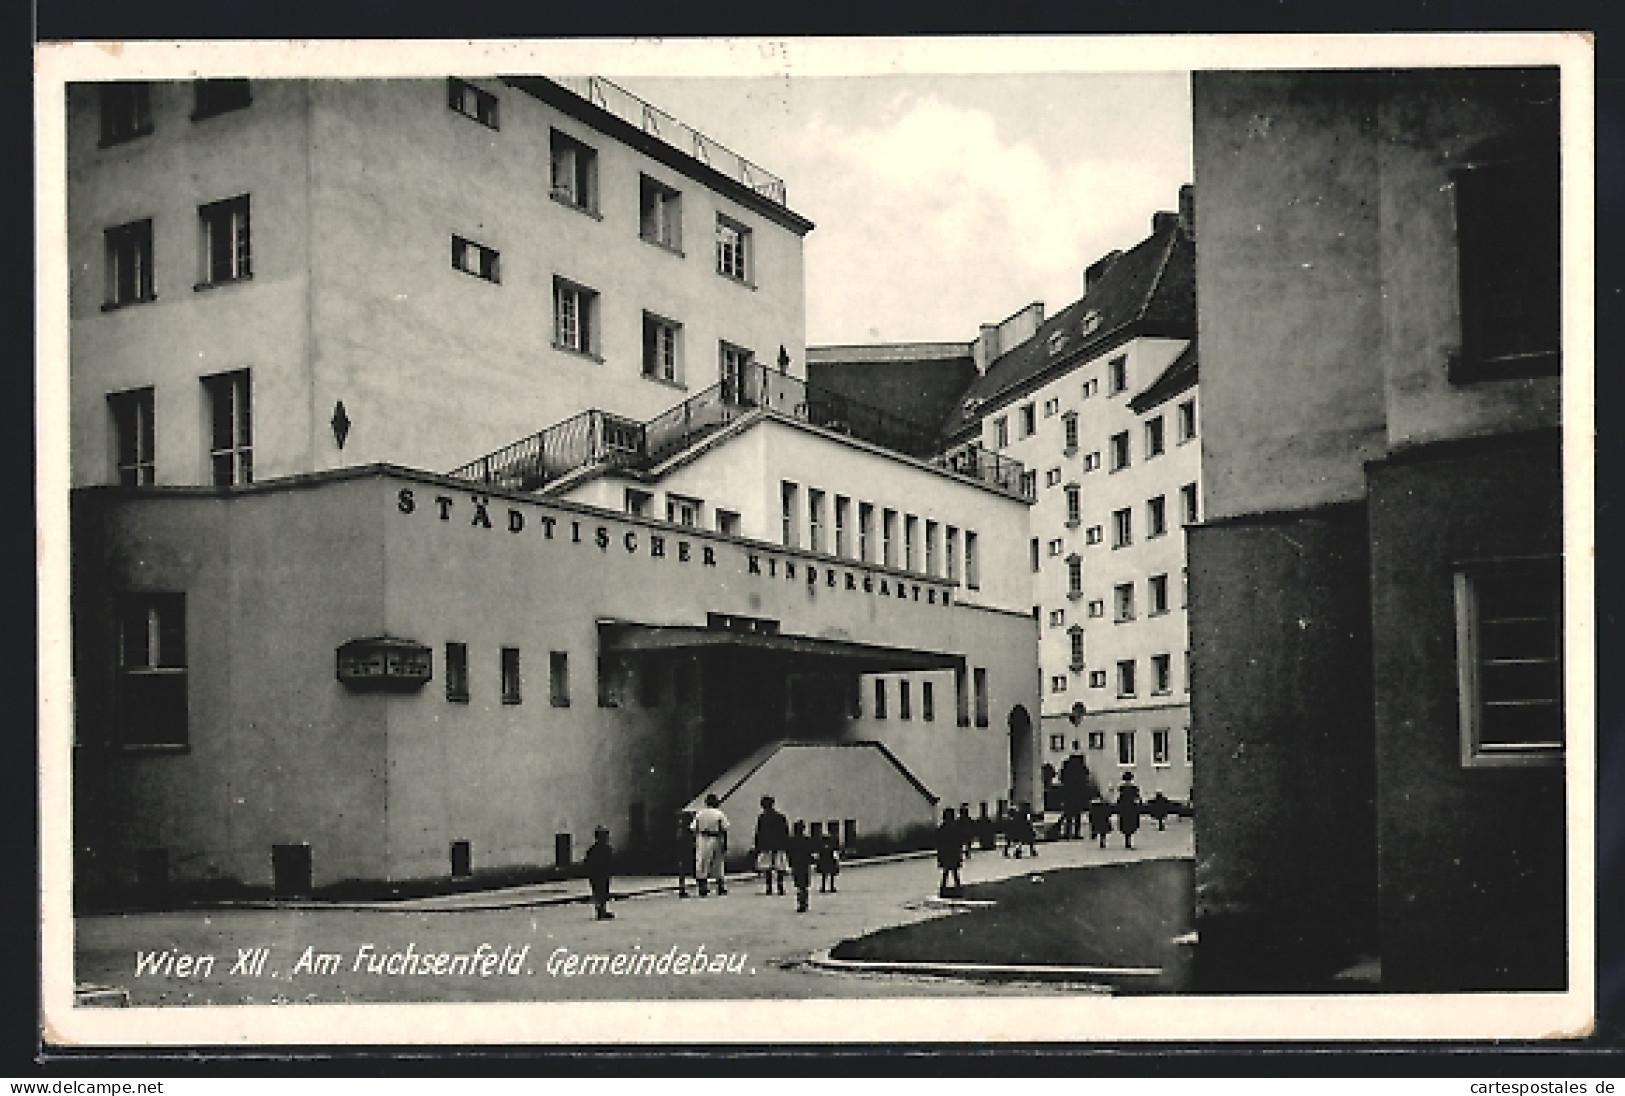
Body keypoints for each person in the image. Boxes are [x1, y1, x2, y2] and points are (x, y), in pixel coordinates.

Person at [752, 795, 790, 896]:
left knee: (767, 867)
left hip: (767, 845)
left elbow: (759, 833)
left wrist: (758, 846)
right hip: (778, 845)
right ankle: (780, 886)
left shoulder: (762, 818)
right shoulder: (780, 817)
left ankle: (769, 887)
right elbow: (785, 832)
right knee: (779, 866)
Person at [693, 793, 729, 897]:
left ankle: (702, 887)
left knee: (702, 862)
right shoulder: (719, 813)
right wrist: (725, 843)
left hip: (703, 838)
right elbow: (724, 829)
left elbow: (694, 828)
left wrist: (695, 841)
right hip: (716, 837)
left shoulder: (700, 813)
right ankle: (720, 887)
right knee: (718, 862)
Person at [584, 825, 615, 921]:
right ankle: (601, 911)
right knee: (602, 892)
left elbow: (587, 862)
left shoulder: (593, 849)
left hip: (597, 875)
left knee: (599, 892)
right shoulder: (606, 849)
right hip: (601, 874)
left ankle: (601, 910)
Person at [787, 820, 815, 913]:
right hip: (804, 864)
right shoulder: (806, 840)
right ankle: (804, 902)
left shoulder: (791, 841)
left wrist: (790, 862)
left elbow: (789, 852)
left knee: (799, 885)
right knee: (804, 885)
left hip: (797, 864)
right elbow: (810, 851)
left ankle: (801, 902)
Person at [935, 807, 964, 898]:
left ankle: (943, 890)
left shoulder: (942, 828)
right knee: (954, 873)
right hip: (953, 853)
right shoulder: (955, 828)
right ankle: (958, 889)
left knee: (946, 872)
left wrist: (940, 856)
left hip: (947, 854)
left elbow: (939, 844)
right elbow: (959, 842)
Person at [1116, 772, 1143, 850]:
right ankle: (1128, 842)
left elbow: (1120, 799)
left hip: (1125, 809)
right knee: (1130, 825)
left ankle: (1127, 841)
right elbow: (1138, 798)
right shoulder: (1133, 789)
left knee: (1126, 825)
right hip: (1131, 809)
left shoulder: (1122, 789)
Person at [675, 809, 697, 898]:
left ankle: (682, 888)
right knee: (694, 866)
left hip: (682, 848)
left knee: (683, 868)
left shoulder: (680, 829)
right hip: (688, 847)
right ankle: (701, 886)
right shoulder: (687, 829)